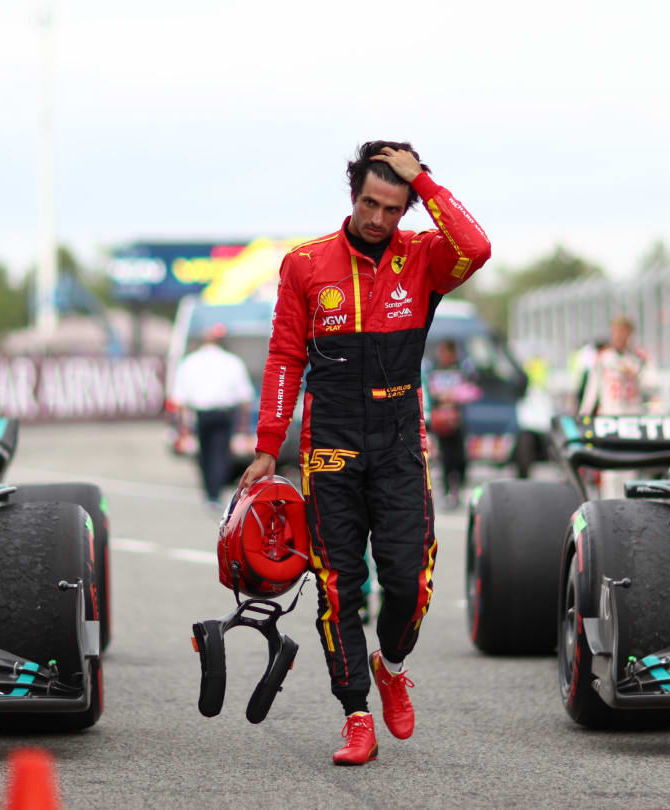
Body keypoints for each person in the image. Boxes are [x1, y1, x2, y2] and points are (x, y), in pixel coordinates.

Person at [237, 141, 490, 765]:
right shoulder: (304, 264)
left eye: (392, 208)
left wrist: (424, 182)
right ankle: (355, 714)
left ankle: (392, 665)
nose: (378, 219)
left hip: (401, 436)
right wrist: (269, 445)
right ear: (352, 196)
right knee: (337, 585)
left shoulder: (426, 257)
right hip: (330, 442)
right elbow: (283, 357)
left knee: (408, 578)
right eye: (369, 203)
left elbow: (478, 248)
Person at [170, 325, 255, 510]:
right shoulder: (232, 362)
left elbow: (180, 398)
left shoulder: (190, 362)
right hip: (223, 414)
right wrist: (244, 426)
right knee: (220, 454)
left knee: (204, 454)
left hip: (201, 414)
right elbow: (245, 397)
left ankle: (210, 491)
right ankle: (215, 492)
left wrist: (183, 426)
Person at [426, 339, 475, 510]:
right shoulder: (435, 368)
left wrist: (455, 396)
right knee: (445, 457)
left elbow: (470, 389)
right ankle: (447, 491)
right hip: (441, 421)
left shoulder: (460, 369)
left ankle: (457, 489)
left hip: (457, 420)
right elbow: (430, 390)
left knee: (460, 458)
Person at [577, 316, 650, 417]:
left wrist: (634, 374)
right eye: (615, 332)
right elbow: (593, 387)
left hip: (633, 413)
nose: (618, 336)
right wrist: (584, 413)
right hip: (609, 413)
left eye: (623, 332)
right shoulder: (603, 357)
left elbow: (650, 384)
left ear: (630, 334)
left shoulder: (638, 357)